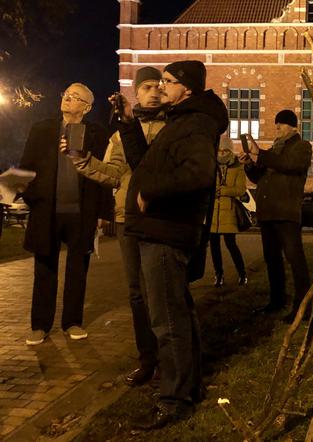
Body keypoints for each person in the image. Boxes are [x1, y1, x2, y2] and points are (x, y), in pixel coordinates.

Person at [116, 60, 228, 429]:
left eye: (168, 81)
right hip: (158, 228)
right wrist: (129, 125)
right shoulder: (181, 119)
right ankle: (187, 387)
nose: (161, 87)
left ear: (188, 88)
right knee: (176, 312)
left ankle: (173, 399)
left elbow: (197, 173)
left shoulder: (195, 123)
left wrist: (153, 191)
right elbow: (146, 163)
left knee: (167, 320)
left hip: (166, 230)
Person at [68, 67, 165, 387]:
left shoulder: (173, 127)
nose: (154, 92)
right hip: (127, 220)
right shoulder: (119, 132)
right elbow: (112, 173)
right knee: (136, 293)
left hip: (160, 218)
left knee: (162, 291)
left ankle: (170, 357)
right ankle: (147, 359)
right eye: (147, 86)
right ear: (137, 91)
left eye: (158, 86)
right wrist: (81, 159)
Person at [19, 83, 112, 346]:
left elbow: (104, 173)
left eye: (75, 97)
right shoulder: (42, 129)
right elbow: (26, 168)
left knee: (77, 271)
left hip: (81, 212)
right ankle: (39, 326)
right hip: (47, 211)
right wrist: (33, 199)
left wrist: (103, 212)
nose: (68, 99)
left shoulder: (97, 133)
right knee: (44, 269)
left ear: (87, 107)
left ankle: (72, 322)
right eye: (66, 95)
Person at [241, 110, 312, 320]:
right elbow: (257, 177)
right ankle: (277, 300)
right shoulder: (274, 150)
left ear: (292, 127)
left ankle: (303, 305)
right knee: (272, 259)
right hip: (269, 213)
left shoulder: (301, 147)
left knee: (294, 259)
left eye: (280, 125)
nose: (277, 129)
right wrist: (249, 163)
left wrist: (261, 154)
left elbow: (290, 165)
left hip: (286, 212)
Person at [209, 137, 248, 288]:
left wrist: (223, 191)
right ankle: (218, 274)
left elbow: (240, 189)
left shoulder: (237, 167)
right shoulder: (212, 165)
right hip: (213, 212)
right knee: (214, 247)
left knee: (231, 244)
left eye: (225, 150)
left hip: (229, 212)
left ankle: (242, 273)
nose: (222, 153)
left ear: (230, 151)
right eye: (220, 150)